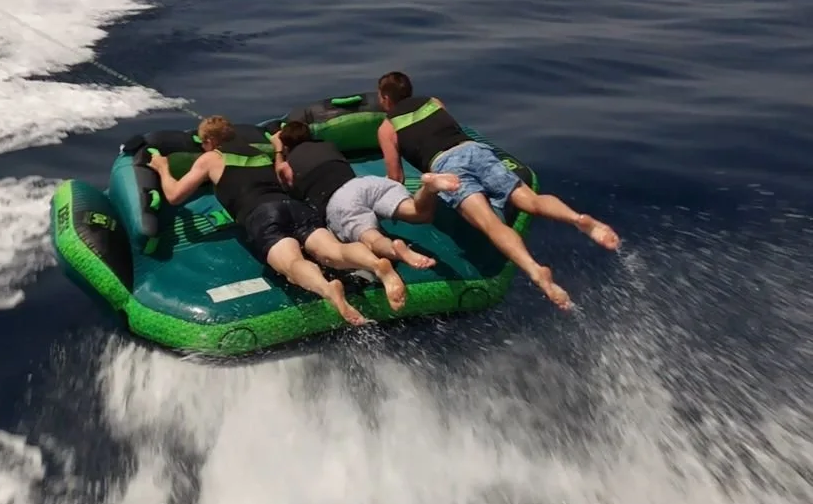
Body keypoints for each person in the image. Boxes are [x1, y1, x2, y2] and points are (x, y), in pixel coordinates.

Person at [375, 72, 620, 313]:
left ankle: (535, 270)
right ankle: (578, 219)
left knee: (491, 224)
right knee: (530, 200)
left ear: (385, 98)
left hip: (447, 166)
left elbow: (396, 177)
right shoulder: (434, 102)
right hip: (474, 150)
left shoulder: (387, 128)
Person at [146, 117, 405, 325]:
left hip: (262, 215)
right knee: (333, 251)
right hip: (293, 207)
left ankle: (328, 290)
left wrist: (162, 168)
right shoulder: (262, 156)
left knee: (293, 264)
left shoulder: (211, 158)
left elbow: (174, 195)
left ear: (210, 141)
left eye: (203, 144)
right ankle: (375, 263)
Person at [271, 120, 462, 283]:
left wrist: (278, 151)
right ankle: (428, 188)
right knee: (417, 212)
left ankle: (396, 251)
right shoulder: (326, 145)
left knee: (372, 240)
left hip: (340, 200)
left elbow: (283, 173)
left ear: (287, 146)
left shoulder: (289, 162)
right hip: (366, 183)